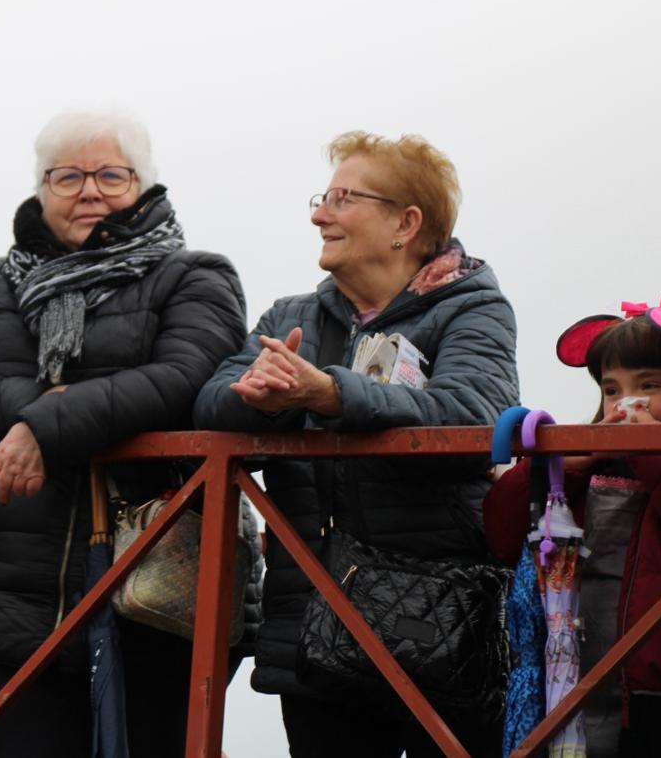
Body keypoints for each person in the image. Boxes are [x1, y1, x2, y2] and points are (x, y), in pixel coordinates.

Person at [0, 108, 249, 756]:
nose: (89, 190)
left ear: (143, 184)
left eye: (112, 174)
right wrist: (35, 406)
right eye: (68, 176)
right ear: (41, 188)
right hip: (15, 604)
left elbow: (183, 376)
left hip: (154, 598)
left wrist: (46, 426)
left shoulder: (194, 275)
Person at [195, 130, 518, 758]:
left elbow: (475, 414)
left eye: (344, 198)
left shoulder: (471, 307)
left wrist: (331, 395)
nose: (320, 214)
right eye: (323, 198)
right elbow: (211, 401)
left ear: (406, 222)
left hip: (441, 619)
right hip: (314, 616)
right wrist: (261, 397)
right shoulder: (291, 315)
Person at [484, 299, 661, 757]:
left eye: (650, 385)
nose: (627, 404)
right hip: (577, 685)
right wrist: (566, 466)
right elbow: (503, 535)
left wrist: (656, 453)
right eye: (613, 390)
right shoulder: (588, 468)